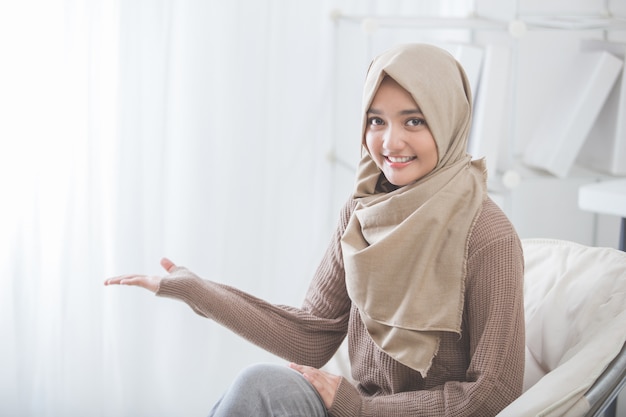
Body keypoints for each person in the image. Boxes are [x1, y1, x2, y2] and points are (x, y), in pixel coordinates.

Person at [105, 43, 525, 416]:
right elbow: (312, 336)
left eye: (413, 121)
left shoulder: (487, 234)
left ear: (449, 121)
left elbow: (493, 392)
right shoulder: (362, 212)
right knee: (259, 387)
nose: (389, 142)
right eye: (376, 121)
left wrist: (362, 410)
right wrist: (195, 289)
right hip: (353, 408)